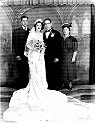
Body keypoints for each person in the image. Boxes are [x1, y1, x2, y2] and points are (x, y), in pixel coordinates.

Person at [3, 19, 95, 123]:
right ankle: (34, 90)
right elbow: (27, 48)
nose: (39, 27)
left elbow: (52, 46)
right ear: (35, 26)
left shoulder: (48, 34)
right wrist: (34, 53)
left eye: (40, 25)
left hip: (42, 58)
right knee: (34, 75)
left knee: (42, 74)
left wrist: (41, 49)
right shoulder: (32, 34)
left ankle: (45, 88)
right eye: (37, 25)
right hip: (33, 57)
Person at [43, 18, 62, 90]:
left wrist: (57, 57)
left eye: (48, 23)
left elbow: (59, 46)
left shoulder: (56, 33)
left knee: (55, 72)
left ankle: (56, 87)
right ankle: (50, 87)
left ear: (51, 24)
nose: (47, 25)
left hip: (54, 57)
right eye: (45, 24)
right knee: (48, 72)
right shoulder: (43, 34)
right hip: (46, 57)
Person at [12, 15, 30, 89]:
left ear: (27, 22)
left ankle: (26, 85)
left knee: (27, 69)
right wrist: (17, 55)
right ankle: (21, 85)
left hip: (28, 55)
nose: (25, 22)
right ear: (21, 22)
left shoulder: (30, 31)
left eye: (26, 21)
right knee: (20, 70)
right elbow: (15, 44)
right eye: (23, 21)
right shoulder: (17, 31)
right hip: (20, 54)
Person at [60, 23, 78, 90]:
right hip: (62, 56)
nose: (65, 31)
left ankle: (70, 84)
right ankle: (64, 83)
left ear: (69, 30)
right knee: (63, 70)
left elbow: (75, 49)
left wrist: (73, 57)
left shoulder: (73, 39)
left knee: (69, 71)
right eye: (64, 29)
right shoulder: (61, 39)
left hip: (70, 56)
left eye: (66, 29)